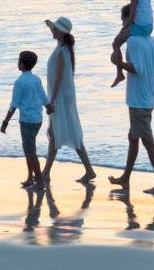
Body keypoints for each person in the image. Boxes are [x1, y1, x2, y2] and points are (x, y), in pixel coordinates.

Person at [109, 4, 154, 194]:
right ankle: (126, 178)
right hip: (149, 97)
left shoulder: (134, 41)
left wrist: (119, 63)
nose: (123, 26)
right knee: (133, 137)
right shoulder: (152, 40)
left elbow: (139, 69)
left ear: (129, 21)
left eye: (124, 21)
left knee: (146, 140)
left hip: (138, 100)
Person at [41, 16, 97, 184]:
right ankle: (88, 170)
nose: (52, 31)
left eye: (55, 29)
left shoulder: (62, 51)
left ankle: (46, 173)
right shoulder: (62, 45)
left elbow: (58, 78)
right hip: (63, 96)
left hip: (61, 98)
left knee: (58, 133)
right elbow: (55, 30)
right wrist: (50, 24)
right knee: (56, 132)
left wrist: (51, 101)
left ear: (61, 32)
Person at [1, 50, 48, 189]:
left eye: (19, 61)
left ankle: (39, 181)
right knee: (28, 149)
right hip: (38, 119)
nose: (18, 63)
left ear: (22, 64)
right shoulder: (36, 79)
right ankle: (29, 178)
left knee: (30, 151)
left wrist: (5, 122)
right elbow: (43, 96)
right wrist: (49, 106)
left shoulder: (19, 82)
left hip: (27, 120)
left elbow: (14, 105)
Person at [111, 0, 153, 88]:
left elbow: (132, 17)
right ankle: (119, 75)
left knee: (115, 43)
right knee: (118, 41)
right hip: (149, 27)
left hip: (141, 28)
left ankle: (119, 74)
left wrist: (122, 30)